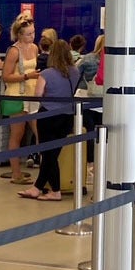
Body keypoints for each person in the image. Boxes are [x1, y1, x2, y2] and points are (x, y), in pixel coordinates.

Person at [20, 38, 81, 201]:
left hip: (48, 115)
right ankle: (37, 187)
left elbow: (38, 94)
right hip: (67, 117)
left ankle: (55, 190)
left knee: (48, 154)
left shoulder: (47, 73)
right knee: (52, 154)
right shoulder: (75, 71)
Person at [2, 18, 42, 184]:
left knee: (40, 132)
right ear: (19, 34)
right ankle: (16, 172)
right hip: (16, 95)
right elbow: (6, 76)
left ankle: (44, 172)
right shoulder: (13, 51)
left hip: (33, 93)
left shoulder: (34, 48)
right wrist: (27, 75)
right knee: (17, 135)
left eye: (33, 33)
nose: (31, 37)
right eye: (27, 34)